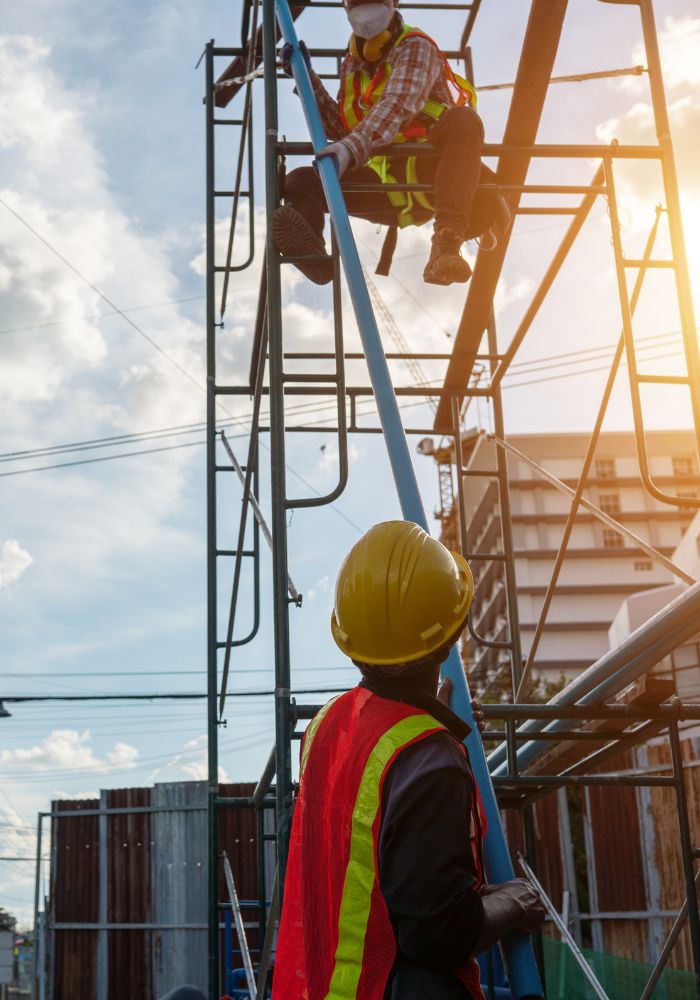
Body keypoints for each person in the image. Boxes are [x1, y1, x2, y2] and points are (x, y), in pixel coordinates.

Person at [272, 520, 545, 1000]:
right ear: (451, 635)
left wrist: (436, 721)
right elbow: (438, 934)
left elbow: (371, 854)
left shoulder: (326, 726)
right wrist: (515, 904)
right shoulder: (431, 760)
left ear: (352, 643)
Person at [273, 0, 511, 288]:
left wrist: (350, 150)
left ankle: (447, 242)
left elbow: (397, 105)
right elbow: (343, 129)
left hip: (434, 172)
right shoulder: (352, 64)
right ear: (345, 6)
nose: (366, 8)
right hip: (385, 184)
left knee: (464, 119)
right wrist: (307, 81)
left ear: (394, 2)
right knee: (301, 181)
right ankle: (313, 255)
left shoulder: (416, 46)